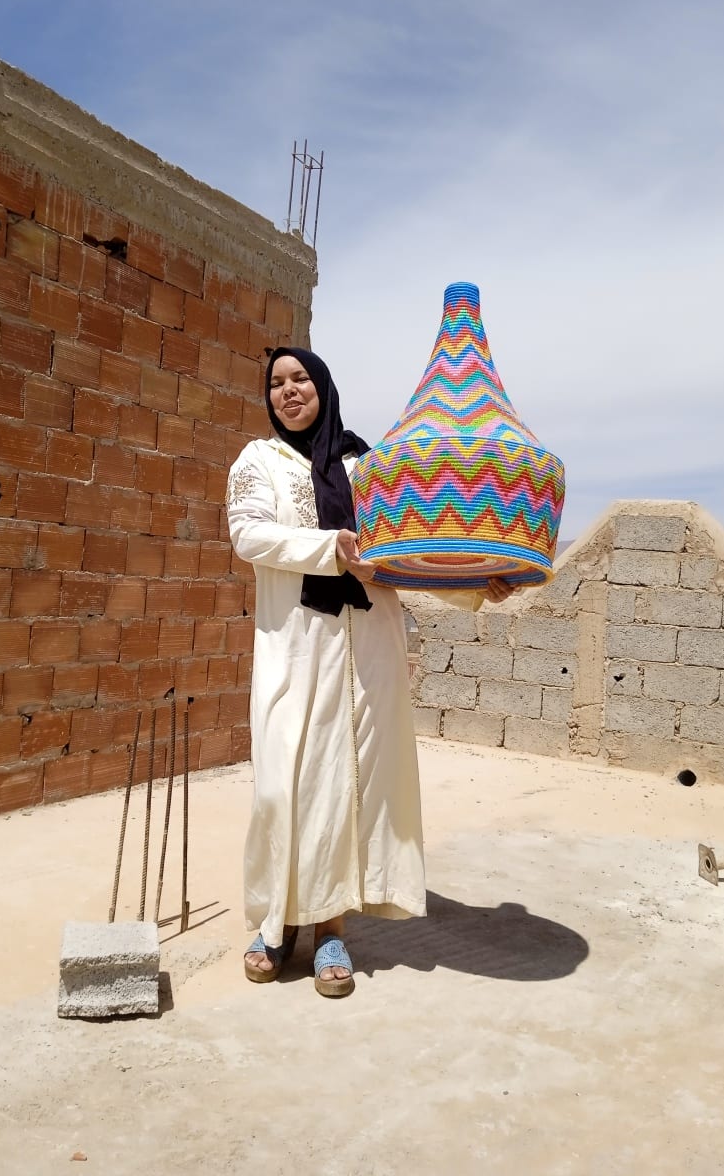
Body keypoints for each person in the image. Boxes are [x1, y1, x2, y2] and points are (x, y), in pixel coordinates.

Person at [225, 346, 512, 997]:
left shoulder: (368, 466)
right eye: (276, 383)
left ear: (323, 386)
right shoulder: (258, 460)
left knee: (349, 792)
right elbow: (249, 535)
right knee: (282, 786)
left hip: (368, 652)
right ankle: (275, 922)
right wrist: (333, 546)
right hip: (297, 647)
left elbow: (411, 547)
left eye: (300, 379)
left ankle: (329, 929)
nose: (288, 391)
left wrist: (473, 585)